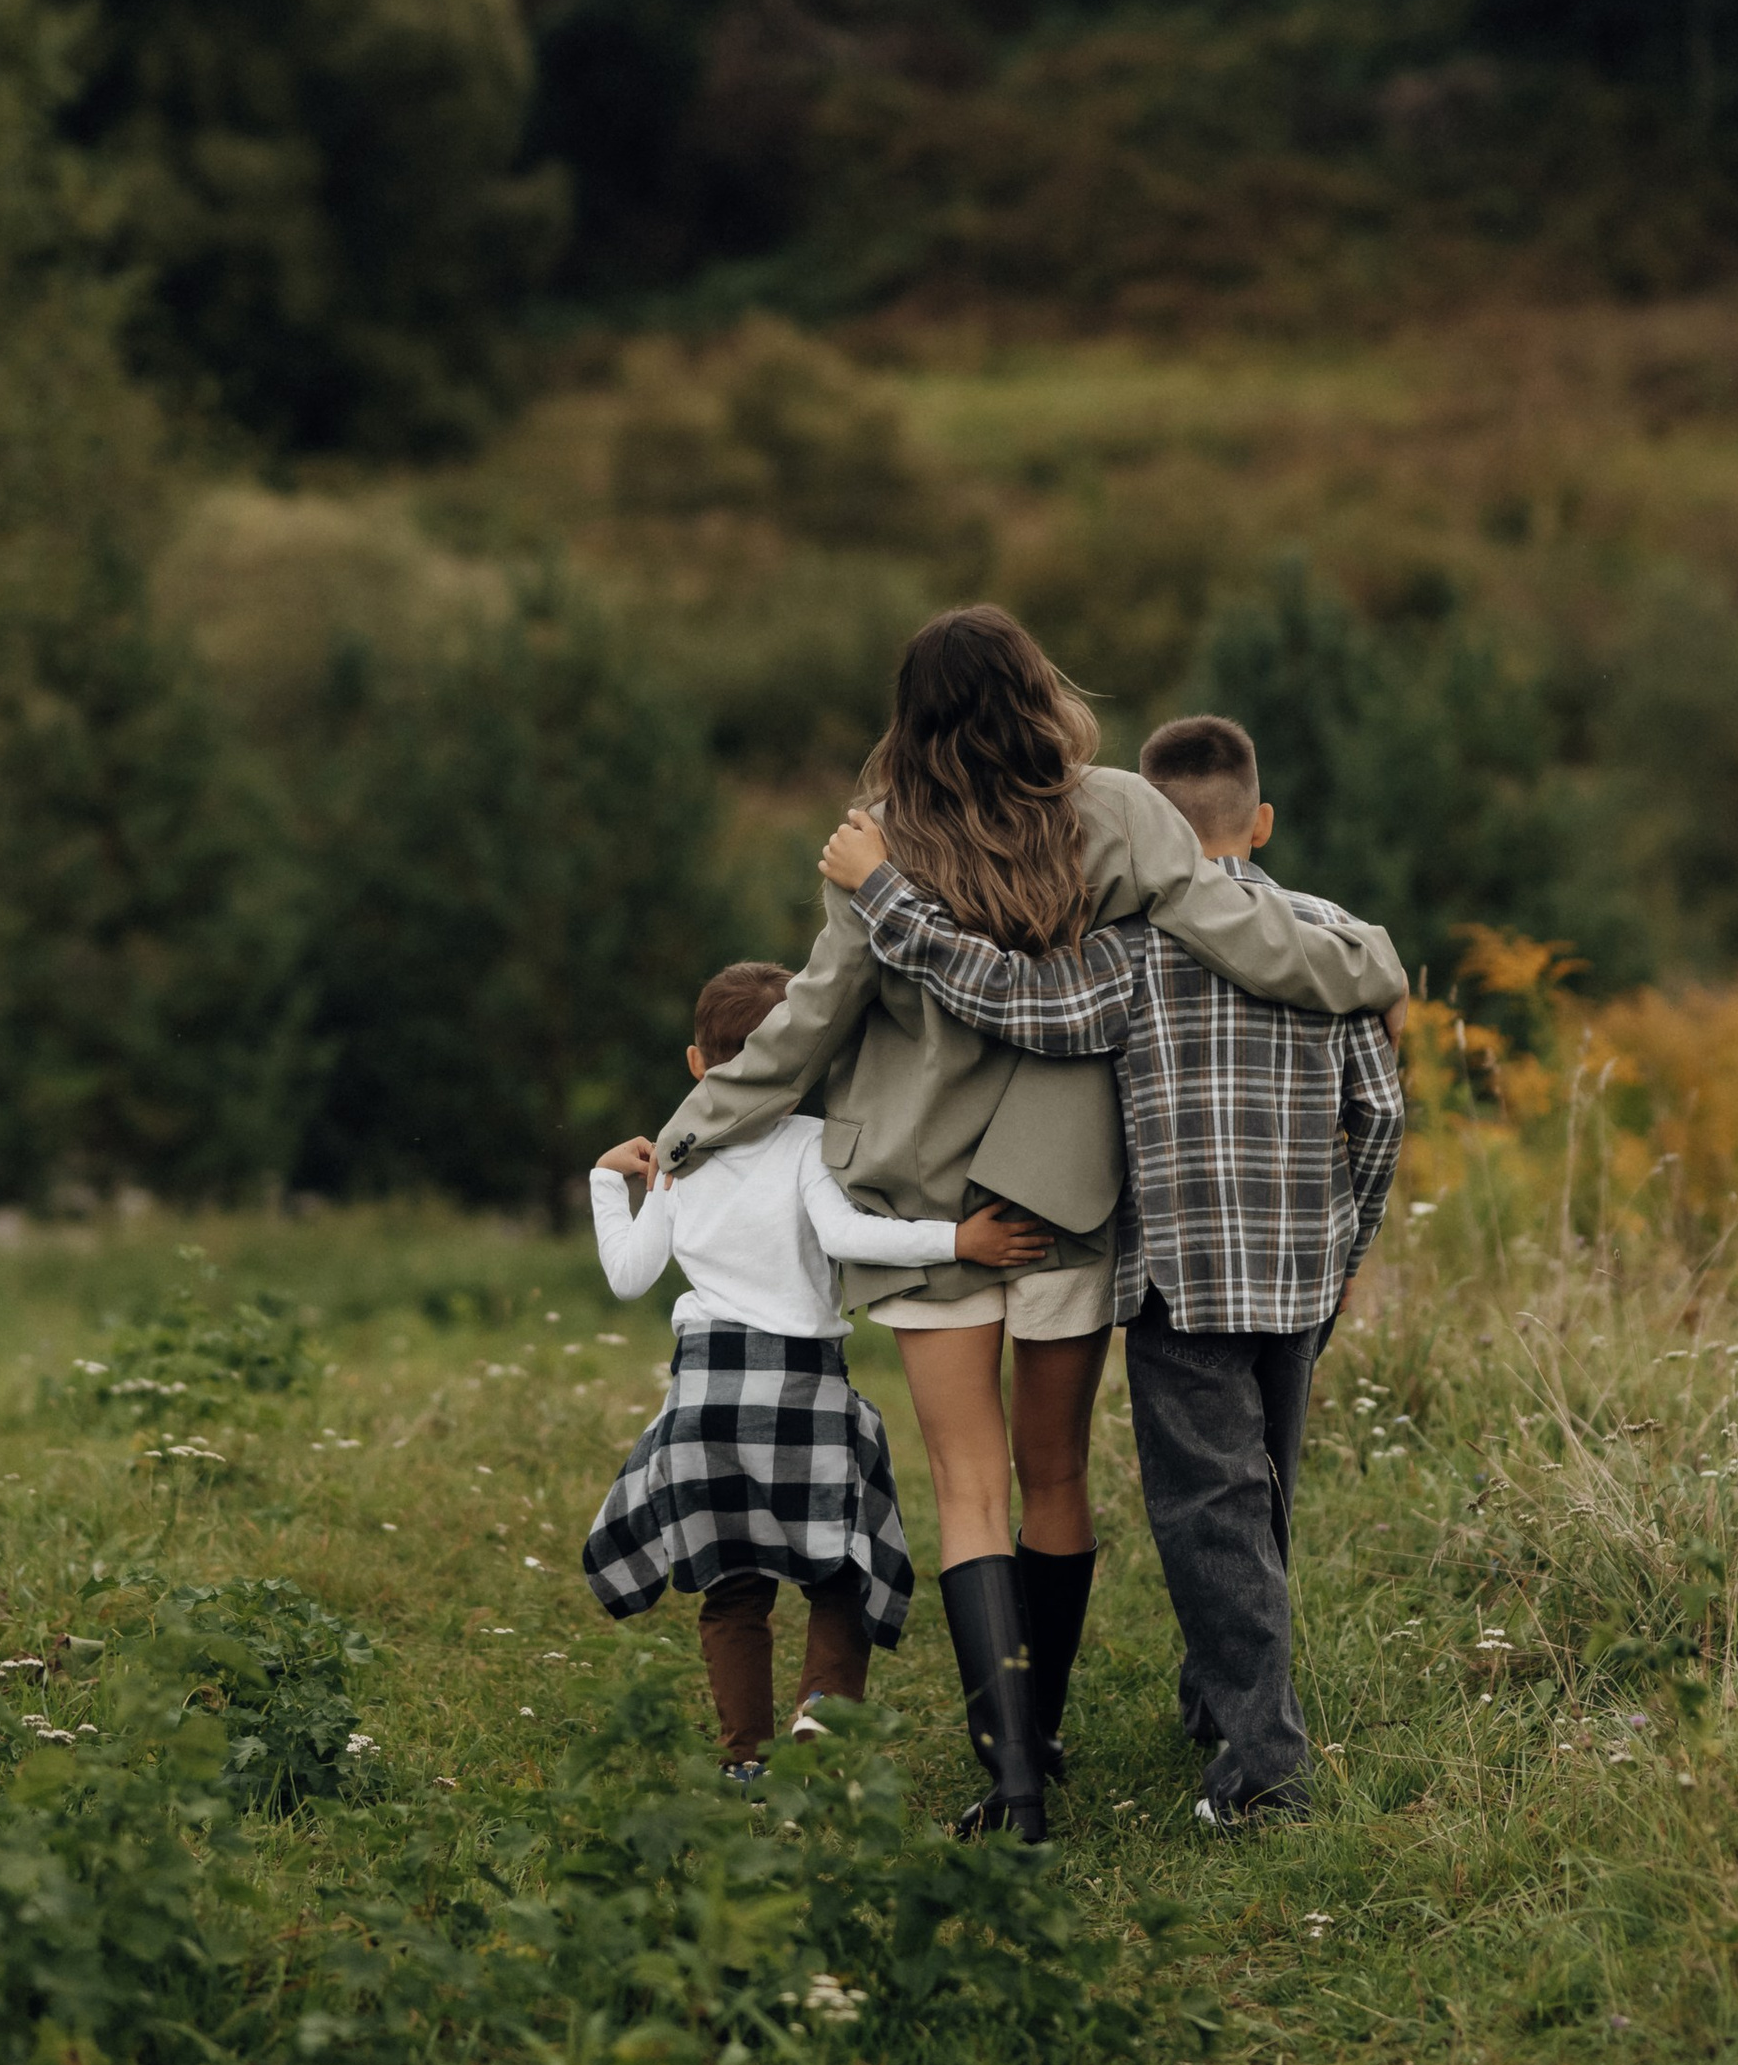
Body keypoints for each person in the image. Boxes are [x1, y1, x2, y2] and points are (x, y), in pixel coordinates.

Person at [651, 610, 1406, 1842]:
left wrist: (682, 1136)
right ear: (1039, 694)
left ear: (912, 716)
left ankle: (1008, 1785)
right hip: (1066, 1187)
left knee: (966, 1484)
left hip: (913, 1193)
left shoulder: (874, 847)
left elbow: (802, 1031)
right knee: (1055, 1476)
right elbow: (1243, 933)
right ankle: (1042, 1734)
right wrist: (1366, 958)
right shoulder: (1120, 813)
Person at [581, 956, 1053, 1779]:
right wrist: (959, 1240)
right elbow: (848, 1238)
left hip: (704, 1401)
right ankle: (826, 1708)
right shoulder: (809, 1143)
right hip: (802, 1393)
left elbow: (628, 1278)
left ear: (697, 1065)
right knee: (844, 1566)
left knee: (733, 1592)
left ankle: (744, 1764)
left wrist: (602, 1180)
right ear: (805, 1061)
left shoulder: (679, 1156)